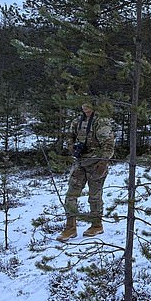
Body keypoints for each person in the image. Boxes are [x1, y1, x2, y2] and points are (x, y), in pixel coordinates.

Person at [57, 101, 114, 242]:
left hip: (96, 163)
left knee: (94, 196)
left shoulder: (101, 122)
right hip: (80, 162)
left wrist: (103, 162)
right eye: (83, 105)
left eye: (88, 105)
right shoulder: (78, 121)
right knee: (71, 195)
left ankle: (96, 225)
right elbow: (70, 135)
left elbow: (108, 143)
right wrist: (71, 147)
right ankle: (70, 227)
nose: (85, 108)